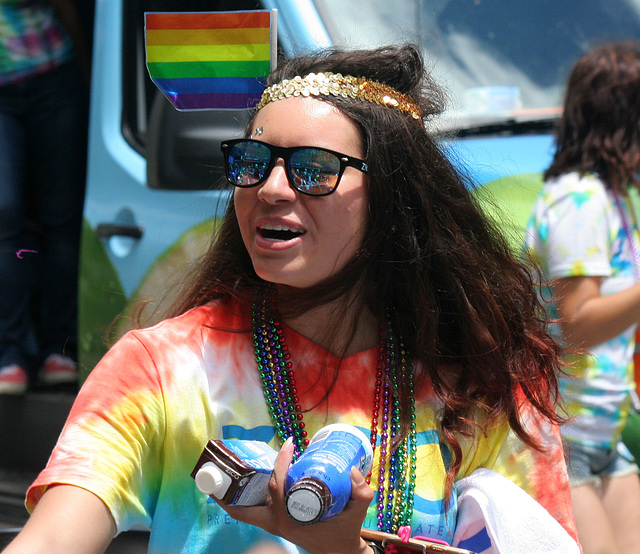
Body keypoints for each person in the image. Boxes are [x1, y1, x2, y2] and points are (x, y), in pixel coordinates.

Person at [5, 44, 578, 553]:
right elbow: (53, 538)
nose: (272, 188)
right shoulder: (163, 366)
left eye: (314, 169)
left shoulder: (484, 381)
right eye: (252, 163)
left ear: (392, 196)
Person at [524, 41, 640, 554]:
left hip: (603, 431)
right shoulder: (580, 199)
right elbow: (578, 324)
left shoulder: (609, 197)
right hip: (565, 436)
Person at [0, 0, 90, 394]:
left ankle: (61, 349)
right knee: (3, 216)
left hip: (54, 70)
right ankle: (11, 355)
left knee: (61, 219)